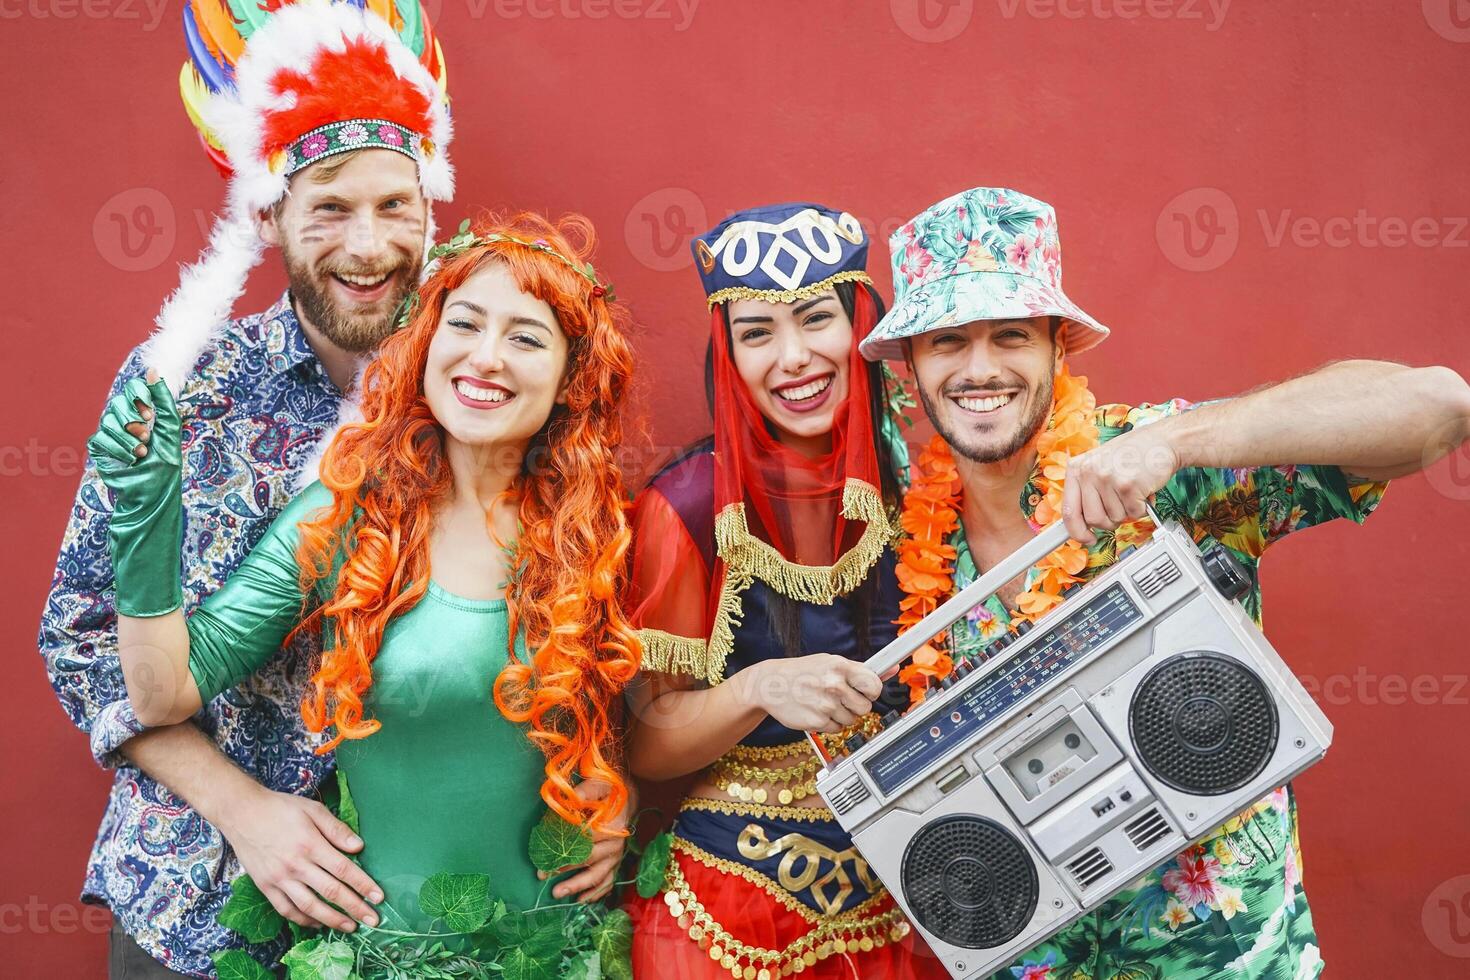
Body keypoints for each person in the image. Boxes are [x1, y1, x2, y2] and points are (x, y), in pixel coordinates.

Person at [858, 185, 1470, 978]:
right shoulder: (898, 546)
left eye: (1010, 335)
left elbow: (1440, 404)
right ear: (912, 364)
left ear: (1057, 348)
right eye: (947, 343)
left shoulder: (1159, 472)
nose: (980, 369)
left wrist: (1179, 442)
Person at [86, 213, 639, 967]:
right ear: (426, 344)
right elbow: (162, 694)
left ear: (572, 374)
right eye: (465, 324)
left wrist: (619, 801)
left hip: (556, 952)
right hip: (384, 956)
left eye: (526, 338)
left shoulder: (592, 529)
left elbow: (622, 723)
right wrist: (146, 518)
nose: (486, 357)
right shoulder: (348, 515)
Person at [38, 1, 459, 973]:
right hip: (194, 902)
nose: (368, 246)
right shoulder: (181, 388)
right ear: (269, 213)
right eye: (330, 208)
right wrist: (244, 808)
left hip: (426, 912)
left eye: (395, 205)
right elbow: (85, 633)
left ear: (431, 206)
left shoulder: (489, 387)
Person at [623, 203, 948, 978]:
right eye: (757, 333)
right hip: (731, 906)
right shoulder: (689, 505)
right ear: (727, 354)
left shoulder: (927, 488)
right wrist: (760, 688)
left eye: (814, 320)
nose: (793, 357)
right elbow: (644, 747)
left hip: (918, 890)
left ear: (859, 328)